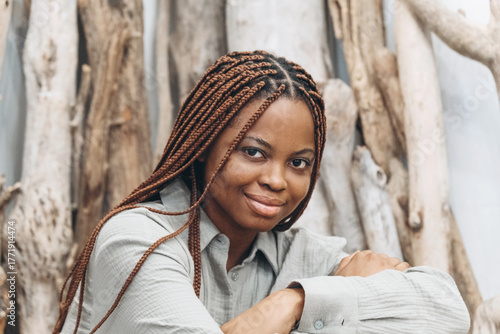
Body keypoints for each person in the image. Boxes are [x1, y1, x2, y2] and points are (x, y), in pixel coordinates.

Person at [54, 50, 470, 334]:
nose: (277, 180)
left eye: (298, 163)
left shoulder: (298, 256)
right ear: (204, 145)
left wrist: (293, 303)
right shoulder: (137, 241)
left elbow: (447, 310)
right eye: (254, 152)